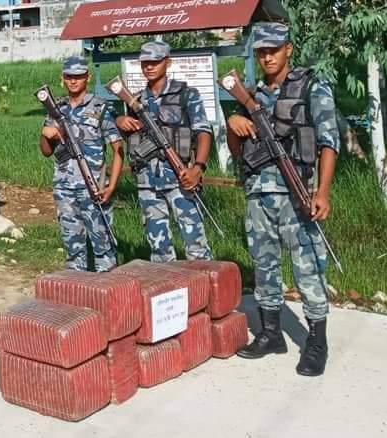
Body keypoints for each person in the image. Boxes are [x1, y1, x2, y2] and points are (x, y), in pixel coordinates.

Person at [226, 22, 338, 377]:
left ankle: (316, 342)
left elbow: (328, 141)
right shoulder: (251, 94)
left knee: (308, 268)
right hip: (259, 194)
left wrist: (323, 191)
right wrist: (234, 126)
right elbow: (237, 151)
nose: (268, 56)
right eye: (261, 51)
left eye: (274, 49)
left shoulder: (310, 86)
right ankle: (271, 333)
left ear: (289, 49)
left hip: (297, 194)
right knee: (264, 266)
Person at [116, 41, 214, 262]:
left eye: (155, 62)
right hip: (147, 182)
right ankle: (167, 293)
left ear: (167, 62)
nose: (149, 67)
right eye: (145, 63)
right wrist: (121, 121)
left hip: (181, 178)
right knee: (159, 248)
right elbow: (132, 137)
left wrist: (198, 168)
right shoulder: (135, 100)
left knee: (195, 244)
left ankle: (203, 292)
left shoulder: (186, 94)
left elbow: (203, 132)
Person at [39, 56, 124, 272]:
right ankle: (78, 292)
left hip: (93, 187)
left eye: (78, 77)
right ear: (62, 79)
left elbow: (118, 150)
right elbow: (46, 152)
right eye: (69, 77)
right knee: (72, 245)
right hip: (64, 187)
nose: (74, 81)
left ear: (87, 77)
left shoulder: (100, 107)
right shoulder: (56, 108)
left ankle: (110, 294)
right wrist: (46, 134)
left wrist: (111, 186)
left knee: (103, 245)